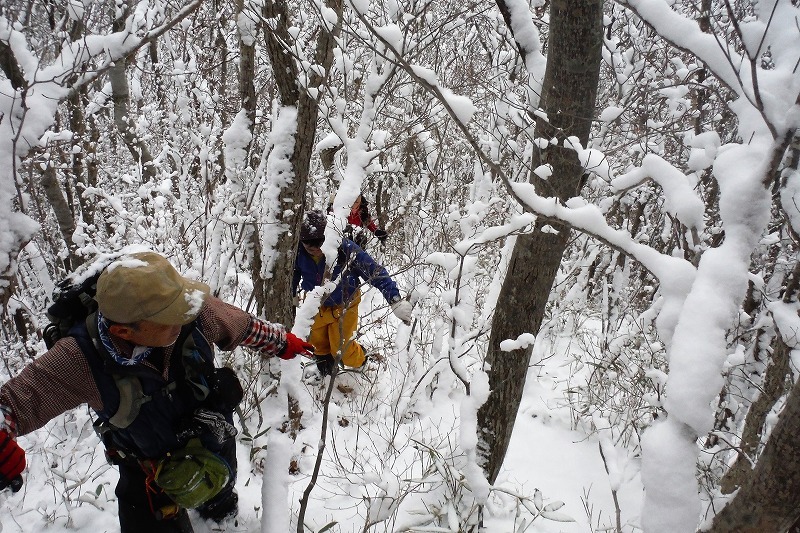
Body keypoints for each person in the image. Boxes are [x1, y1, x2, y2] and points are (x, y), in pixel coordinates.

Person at [0, 251, 313, 533]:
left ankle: (221, 516)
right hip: (145, 470)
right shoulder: (79, 358)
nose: (185, 315)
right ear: (123, 330)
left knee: (219, 489)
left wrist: (283, 342)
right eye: (170, 317)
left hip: (208, 433)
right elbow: (11, 404)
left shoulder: (194, 311)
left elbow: (242, 325)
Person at [293, 211, 412, 378]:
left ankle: (362, 360)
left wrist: (394, 300)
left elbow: (375, 272)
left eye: (319, 243)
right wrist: (291, 296)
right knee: (318, 345)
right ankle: (327, 374)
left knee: (342, 350)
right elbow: (293, 273)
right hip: (316, 303)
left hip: (345, 302)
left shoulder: (346, 249)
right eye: (308, 244)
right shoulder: (298, 251)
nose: (314, 248)